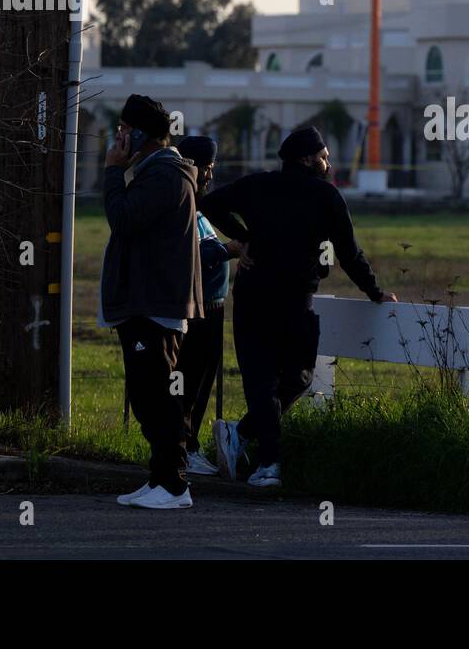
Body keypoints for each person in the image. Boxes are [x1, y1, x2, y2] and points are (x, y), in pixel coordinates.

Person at [199, 126, 396, 489]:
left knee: (263, 379)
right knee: (297, 376)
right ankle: (268, 463)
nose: (328, 161)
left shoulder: (258, 184)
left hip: (253, 294)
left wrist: (243, 237)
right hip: (294, 297)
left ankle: (239, 436)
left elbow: (208, 203)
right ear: (307, 158)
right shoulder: (327, 197)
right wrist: (376, 292)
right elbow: (349, 253)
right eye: (323, 155)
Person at [100, 95, 204, 509]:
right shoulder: (153, 171)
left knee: (157, 395)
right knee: (146, 393)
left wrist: (111, 172)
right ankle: (159, 477)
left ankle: (175, 485)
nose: (119, 137)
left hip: (155, 302)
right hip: (146, 299)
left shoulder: (164, 174)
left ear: (142, 134)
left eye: (125, 129)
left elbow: (122, 218)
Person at [173, 135, 248, 476]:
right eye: (207, 169)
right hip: (196, 306)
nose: (210, 176)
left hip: (214, 304)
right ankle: (182, 447)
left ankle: (191, 443)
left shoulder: (200, 207)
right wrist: (227, 251)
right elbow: (189, 255)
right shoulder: (182, 204)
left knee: (202, 382)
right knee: (187, 380)